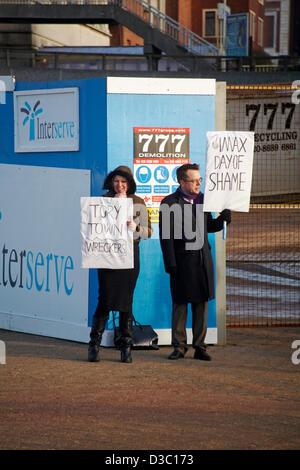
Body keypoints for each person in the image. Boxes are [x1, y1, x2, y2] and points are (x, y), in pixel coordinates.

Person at [159, 163, 231, 361]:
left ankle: (200, 347)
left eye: (200, 180)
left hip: (202, 262)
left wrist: (223, 220)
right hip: (181, 263)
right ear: (182, 182)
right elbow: (166, 237)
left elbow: (208, 226)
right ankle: (179, 347)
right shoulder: (169, 203)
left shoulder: (203, 201)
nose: (199, 183)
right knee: (180, 305)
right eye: (195, 180)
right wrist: (170, 263)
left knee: (201, 305)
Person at [88, 166, 152, 364]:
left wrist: (137, 227)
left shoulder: (138, 202)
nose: (120, 185)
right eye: (116, 181)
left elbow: (148, 232)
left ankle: (126, 347)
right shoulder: (102, 200)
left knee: (126, 301)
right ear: (111, 182)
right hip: (107, 256)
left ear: (130, 183)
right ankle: (94, 345)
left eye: (123, 182)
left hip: (130, 256)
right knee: (104, 300)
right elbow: (92, 228)